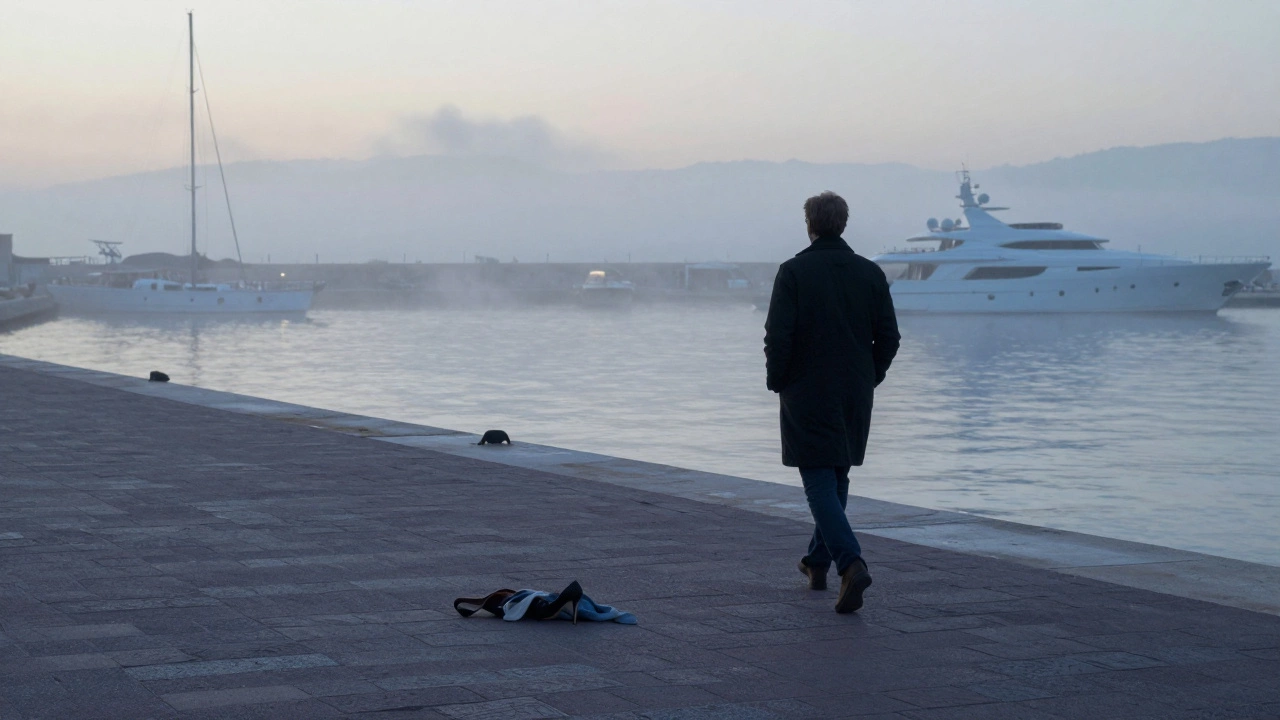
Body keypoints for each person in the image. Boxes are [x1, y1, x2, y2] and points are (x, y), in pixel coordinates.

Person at [763, 191, 900, 613]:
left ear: (810, 224)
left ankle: (850, 563)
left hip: (808, 390)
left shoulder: (794, 272)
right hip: (855, 391)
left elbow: (778, 336)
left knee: (819, 477)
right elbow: (889, 338)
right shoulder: (870, 274)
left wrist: (777, 381)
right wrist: (870, 376)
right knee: (836, 475)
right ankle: (816, 562)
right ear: (843, 224)